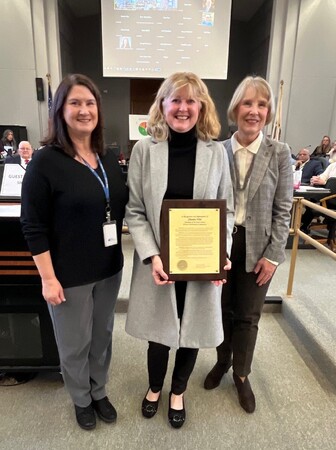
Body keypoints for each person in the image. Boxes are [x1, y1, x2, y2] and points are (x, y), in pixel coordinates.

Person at [125, 71, 234, 428]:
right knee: (159, 335)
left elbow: (227, 209)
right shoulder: (145, 150)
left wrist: (222, 254)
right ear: (163, 105)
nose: (183, 108)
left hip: (200, 263)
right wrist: (152, 255)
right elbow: (136, 211)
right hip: (158, 261)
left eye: (191, 100)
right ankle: (155, 387)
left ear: (201, 107)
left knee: (193, 332)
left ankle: (178, 392)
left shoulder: (217, 153)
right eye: (176, 100)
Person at [20, 74, 128, 430]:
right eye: (75, 103)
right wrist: (48, 279)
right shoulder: (45, 162)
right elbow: (33, 226)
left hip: (109, 268)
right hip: (67, 275)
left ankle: (99, 391)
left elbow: (122, 209)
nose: (84, 110)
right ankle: (81, 398)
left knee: (103, 337)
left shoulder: (108, 159)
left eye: (90, 103)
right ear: (59, 111)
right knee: (74, 344)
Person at [203, 76, 293, 413]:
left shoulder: (280, 153)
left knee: (249, 315)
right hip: (222, 246)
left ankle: (241, 374)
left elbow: (284, 209)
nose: (254, 111)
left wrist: (274, 257)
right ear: (235, 109)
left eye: (261, 105)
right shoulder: (217, 150)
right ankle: (222, 361)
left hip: (260, 249)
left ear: (267, 112)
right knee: (221, 310)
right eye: (247, 103)